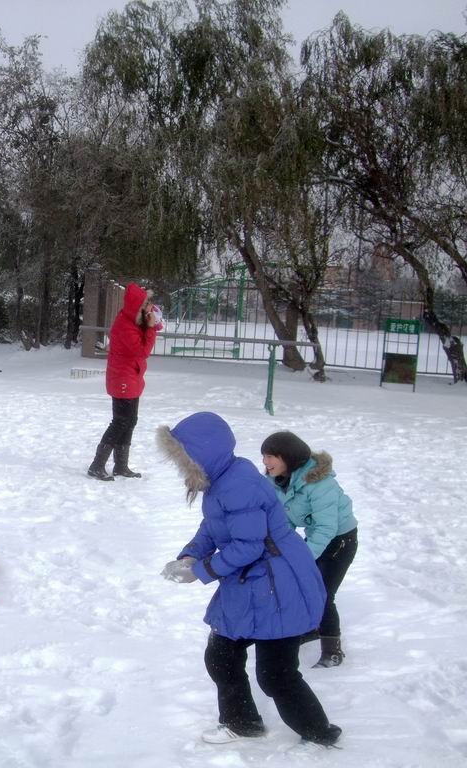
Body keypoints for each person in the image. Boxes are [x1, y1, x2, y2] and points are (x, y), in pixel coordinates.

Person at [157, 412, 342, 748]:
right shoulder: (222, 477)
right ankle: (243, 722)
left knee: (275, 674)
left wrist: (200, 572)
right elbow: (214, 527)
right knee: (222, 655)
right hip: (252, 583)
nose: (180, 465)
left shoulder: (237, 485)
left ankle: (319, 733)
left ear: (203, 454)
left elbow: (248, 546)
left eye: (183, 457)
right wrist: (190, 555)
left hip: (276, 585)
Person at [261, 431, 358, 668]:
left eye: (271, 456)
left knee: (322, 593)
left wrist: (302, 558)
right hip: (316, 537)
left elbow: (327, 527)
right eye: (264, 456)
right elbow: (284, 517)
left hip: (340, 540)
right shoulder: (278, 480)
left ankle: (332, 651)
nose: (265, 462)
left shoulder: (320, 483)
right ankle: (313, 627)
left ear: (290, 457)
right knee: (302, 585)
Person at [88, 283, 162, 481]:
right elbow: (142, 351)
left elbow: (150, 329)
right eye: (146, 303)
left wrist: (152, 322)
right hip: (122, 378)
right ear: (137, 306)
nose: (150, 306)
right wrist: (152, 328)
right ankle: (97, 465)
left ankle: (121, 466)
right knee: (120, 422)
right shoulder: (125, 326)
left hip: (132, 377)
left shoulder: (133, 320)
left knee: (130, 420)